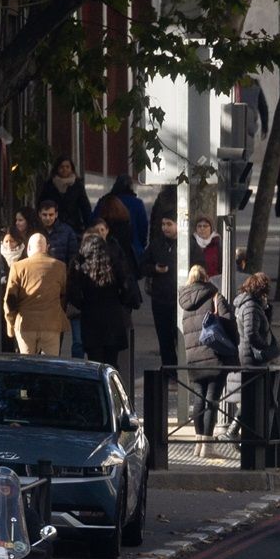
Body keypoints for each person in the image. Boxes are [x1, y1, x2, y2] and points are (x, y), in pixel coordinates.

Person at [178, 264, 229, 450]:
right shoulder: (214, 295)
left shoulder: (185, 303)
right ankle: (207, 446)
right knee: (212, 400)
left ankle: (198, 444)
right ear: (206, 277)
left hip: (193, 358)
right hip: (214, 354)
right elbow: (229, 320)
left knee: (199, 399)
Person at [229, 271, 278, 448]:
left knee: (254, 396)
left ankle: (242, 434)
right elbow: (251, 333)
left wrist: (267, 309)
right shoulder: (250, 306)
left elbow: (262, 325)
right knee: (252, 396)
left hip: (249, 355)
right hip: (251, 358)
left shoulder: (253, 305)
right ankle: (235, 431)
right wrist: (264, 346)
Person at [3, 232, 70, 355]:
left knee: (27, 366)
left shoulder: (18, 267)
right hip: (51, 324)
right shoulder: (60, 267)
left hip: (26, 325)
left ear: (28, 248)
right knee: (49, 367)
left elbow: (9, 300)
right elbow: (63, 294)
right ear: (47, 248)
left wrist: (11, 326)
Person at [69, 232, 129, 368]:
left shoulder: (80, 267)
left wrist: (83, 305)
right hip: (113, 319)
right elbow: (126, 289)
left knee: (94, 364)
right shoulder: (113, 266)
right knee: (111, 363)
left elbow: (74, 295)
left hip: (91, 320)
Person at [143, 215, 182, 367]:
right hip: (160, 298)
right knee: (165, 338)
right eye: (163, 224)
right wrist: (154, 269)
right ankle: (170, 370)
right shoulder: (156, 244)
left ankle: (182, 370)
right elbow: (142, 265)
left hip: (180, 298)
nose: (165, 227)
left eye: (169, 224)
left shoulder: (187, 243)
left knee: (179, 336)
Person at [96, 175, 150, 263]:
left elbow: (94, 221)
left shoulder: (105, 201)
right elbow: (143, 228)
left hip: (105, 250)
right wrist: (140, 246)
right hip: (133, 250)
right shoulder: (137, 203)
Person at [37, 156, 94, 232]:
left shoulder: (77, 185)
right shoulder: (49, 185)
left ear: (72, 169)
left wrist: (88, 226)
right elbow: (41, 204)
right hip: (52, 225)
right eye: (62, 167)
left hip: (73, 226)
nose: (65, 169)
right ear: (57, 168)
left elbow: (85, 206)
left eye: (67, 167)